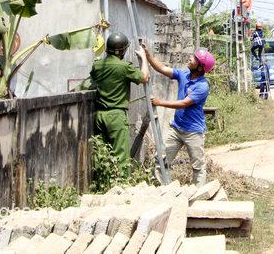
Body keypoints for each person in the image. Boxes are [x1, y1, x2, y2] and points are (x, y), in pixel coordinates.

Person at [145, 44, 214, 185]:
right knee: (161, 160)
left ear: (200, 67)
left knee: (198, 167)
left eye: (194, 58)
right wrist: (148, 56)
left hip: (193, 132)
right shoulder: (184, 75)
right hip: (176, 129)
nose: (190, 58)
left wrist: (160, 102)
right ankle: (161, 189)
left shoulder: (202, 86)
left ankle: (199, 193)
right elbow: (162, 69)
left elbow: (183, 103)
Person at [90, 32, 150, 170]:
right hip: (116, 116)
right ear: (122, 51)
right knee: (121, 157)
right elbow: (144, 77)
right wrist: (144, 59)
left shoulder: (97, 66)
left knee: (100, 154)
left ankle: (102, 180)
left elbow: (93, 79)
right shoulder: (123, 67)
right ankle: (122, 182)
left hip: (99, 115)